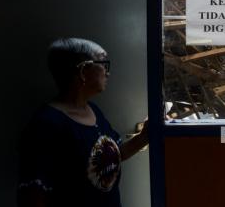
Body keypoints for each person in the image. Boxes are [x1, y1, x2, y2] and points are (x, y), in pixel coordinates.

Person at [17, 38, 148, 207]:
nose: (107, 73)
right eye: (103, 64)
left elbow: (113, 156)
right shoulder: (46, 125)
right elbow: (33, 195)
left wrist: (145, 136)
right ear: (83, 71)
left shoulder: (94, 111)